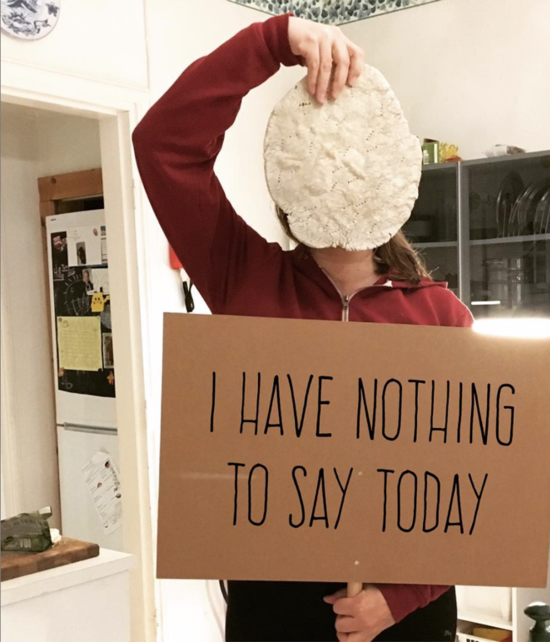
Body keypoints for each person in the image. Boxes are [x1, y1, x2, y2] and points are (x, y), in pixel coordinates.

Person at [132, 12, 471, 642]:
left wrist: (400, 598)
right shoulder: (244, 278)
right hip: (273, 607)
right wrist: (272, 40)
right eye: (319, 161)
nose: (338, 172)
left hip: (402, 614)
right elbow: (163, 145)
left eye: (354, 163)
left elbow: (473, 490)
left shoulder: (440, 316)